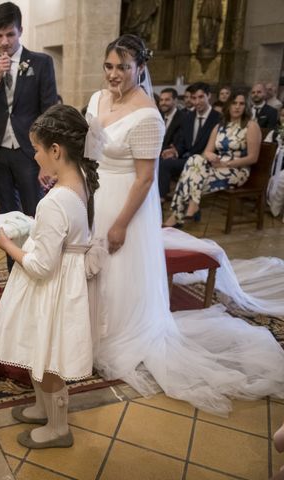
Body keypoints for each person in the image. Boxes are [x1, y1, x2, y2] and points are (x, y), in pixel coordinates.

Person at [87, 33, 284, 415]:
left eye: (123, 68)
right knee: (95, 269)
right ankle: (93, 324)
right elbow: (91, 148)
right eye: (109, 66)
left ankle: (118, 333)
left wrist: (121, 225)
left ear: (140, 68)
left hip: (127, 204)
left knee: (119, 267)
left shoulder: (146, 114)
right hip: (97, 194)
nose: (113, 75)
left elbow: (145, 179)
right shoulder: (97, 99)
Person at [0, 104, 101, 449]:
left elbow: (39, 266)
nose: (34, 155)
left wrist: (8, 244)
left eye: (37, 148)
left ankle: (58, 428)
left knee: (49, 360)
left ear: (56, 150)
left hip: (50, 289)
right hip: (64, 284)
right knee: (42, 351)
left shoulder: (53, 202)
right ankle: (42, 408)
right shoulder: (80, 183)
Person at [0, 2, 58, 233]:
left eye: (10, 34)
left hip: (29, 151)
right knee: (6, 219)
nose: (4, 41)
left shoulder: (41, 63)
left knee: (35, 214)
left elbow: (49, 112)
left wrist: (47, 159)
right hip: (0, 152)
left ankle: (36, 265)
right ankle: (13, 267)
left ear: (20, 31)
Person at [163, 91, 261, 227]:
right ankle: (192, 206)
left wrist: (226, 164)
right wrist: (210, 156)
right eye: (234, 103)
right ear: (228, 106)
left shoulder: (251, 126)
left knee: (190, 178)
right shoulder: (219, 126)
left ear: (246, 107)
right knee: (195, 159)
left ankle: (176, 216)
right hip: (216, 166)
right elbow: (206, 152)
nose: (237, 107)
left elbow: (252, 158)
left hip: (237, 170)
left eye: (241, 104)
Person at [158, 82, 221, 199]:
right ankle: (161, 198)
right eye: (193, 98)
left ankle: (183, 202)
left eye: (201, 97)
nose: (197, 102)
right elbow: (183, 142)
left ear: (209, 96)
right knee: (164, 162)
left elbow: (219, 146)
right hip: (188, 159)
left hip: (207, 161)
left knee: (173, 165)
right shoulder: (188, 117)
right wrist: (175, 152)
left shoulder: (218, 118)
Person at [158, 87, 187, 153]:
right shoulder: (158, 115)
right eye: (161, 100)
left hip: (171, 156)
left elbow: (178, 143)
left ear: (175, 101)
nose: (163, 103)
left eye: (167, 100)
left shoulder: (183, 118)